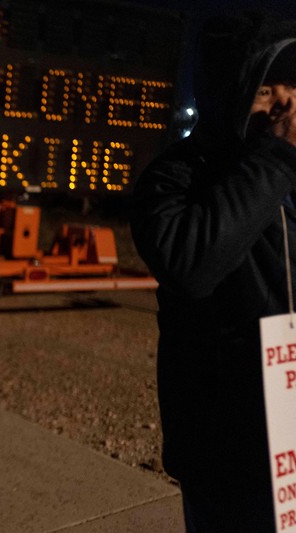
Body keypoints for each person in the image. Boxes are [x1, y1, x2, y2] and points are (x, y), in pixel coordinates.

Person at [130, 14, 296, 532]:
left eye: (293, 86)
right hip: (228, 444)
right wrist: (276, 159)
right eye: (267, 89)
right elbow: (190, 264)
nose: (286, 103)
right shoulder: (175, 176)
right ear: (231, 94)